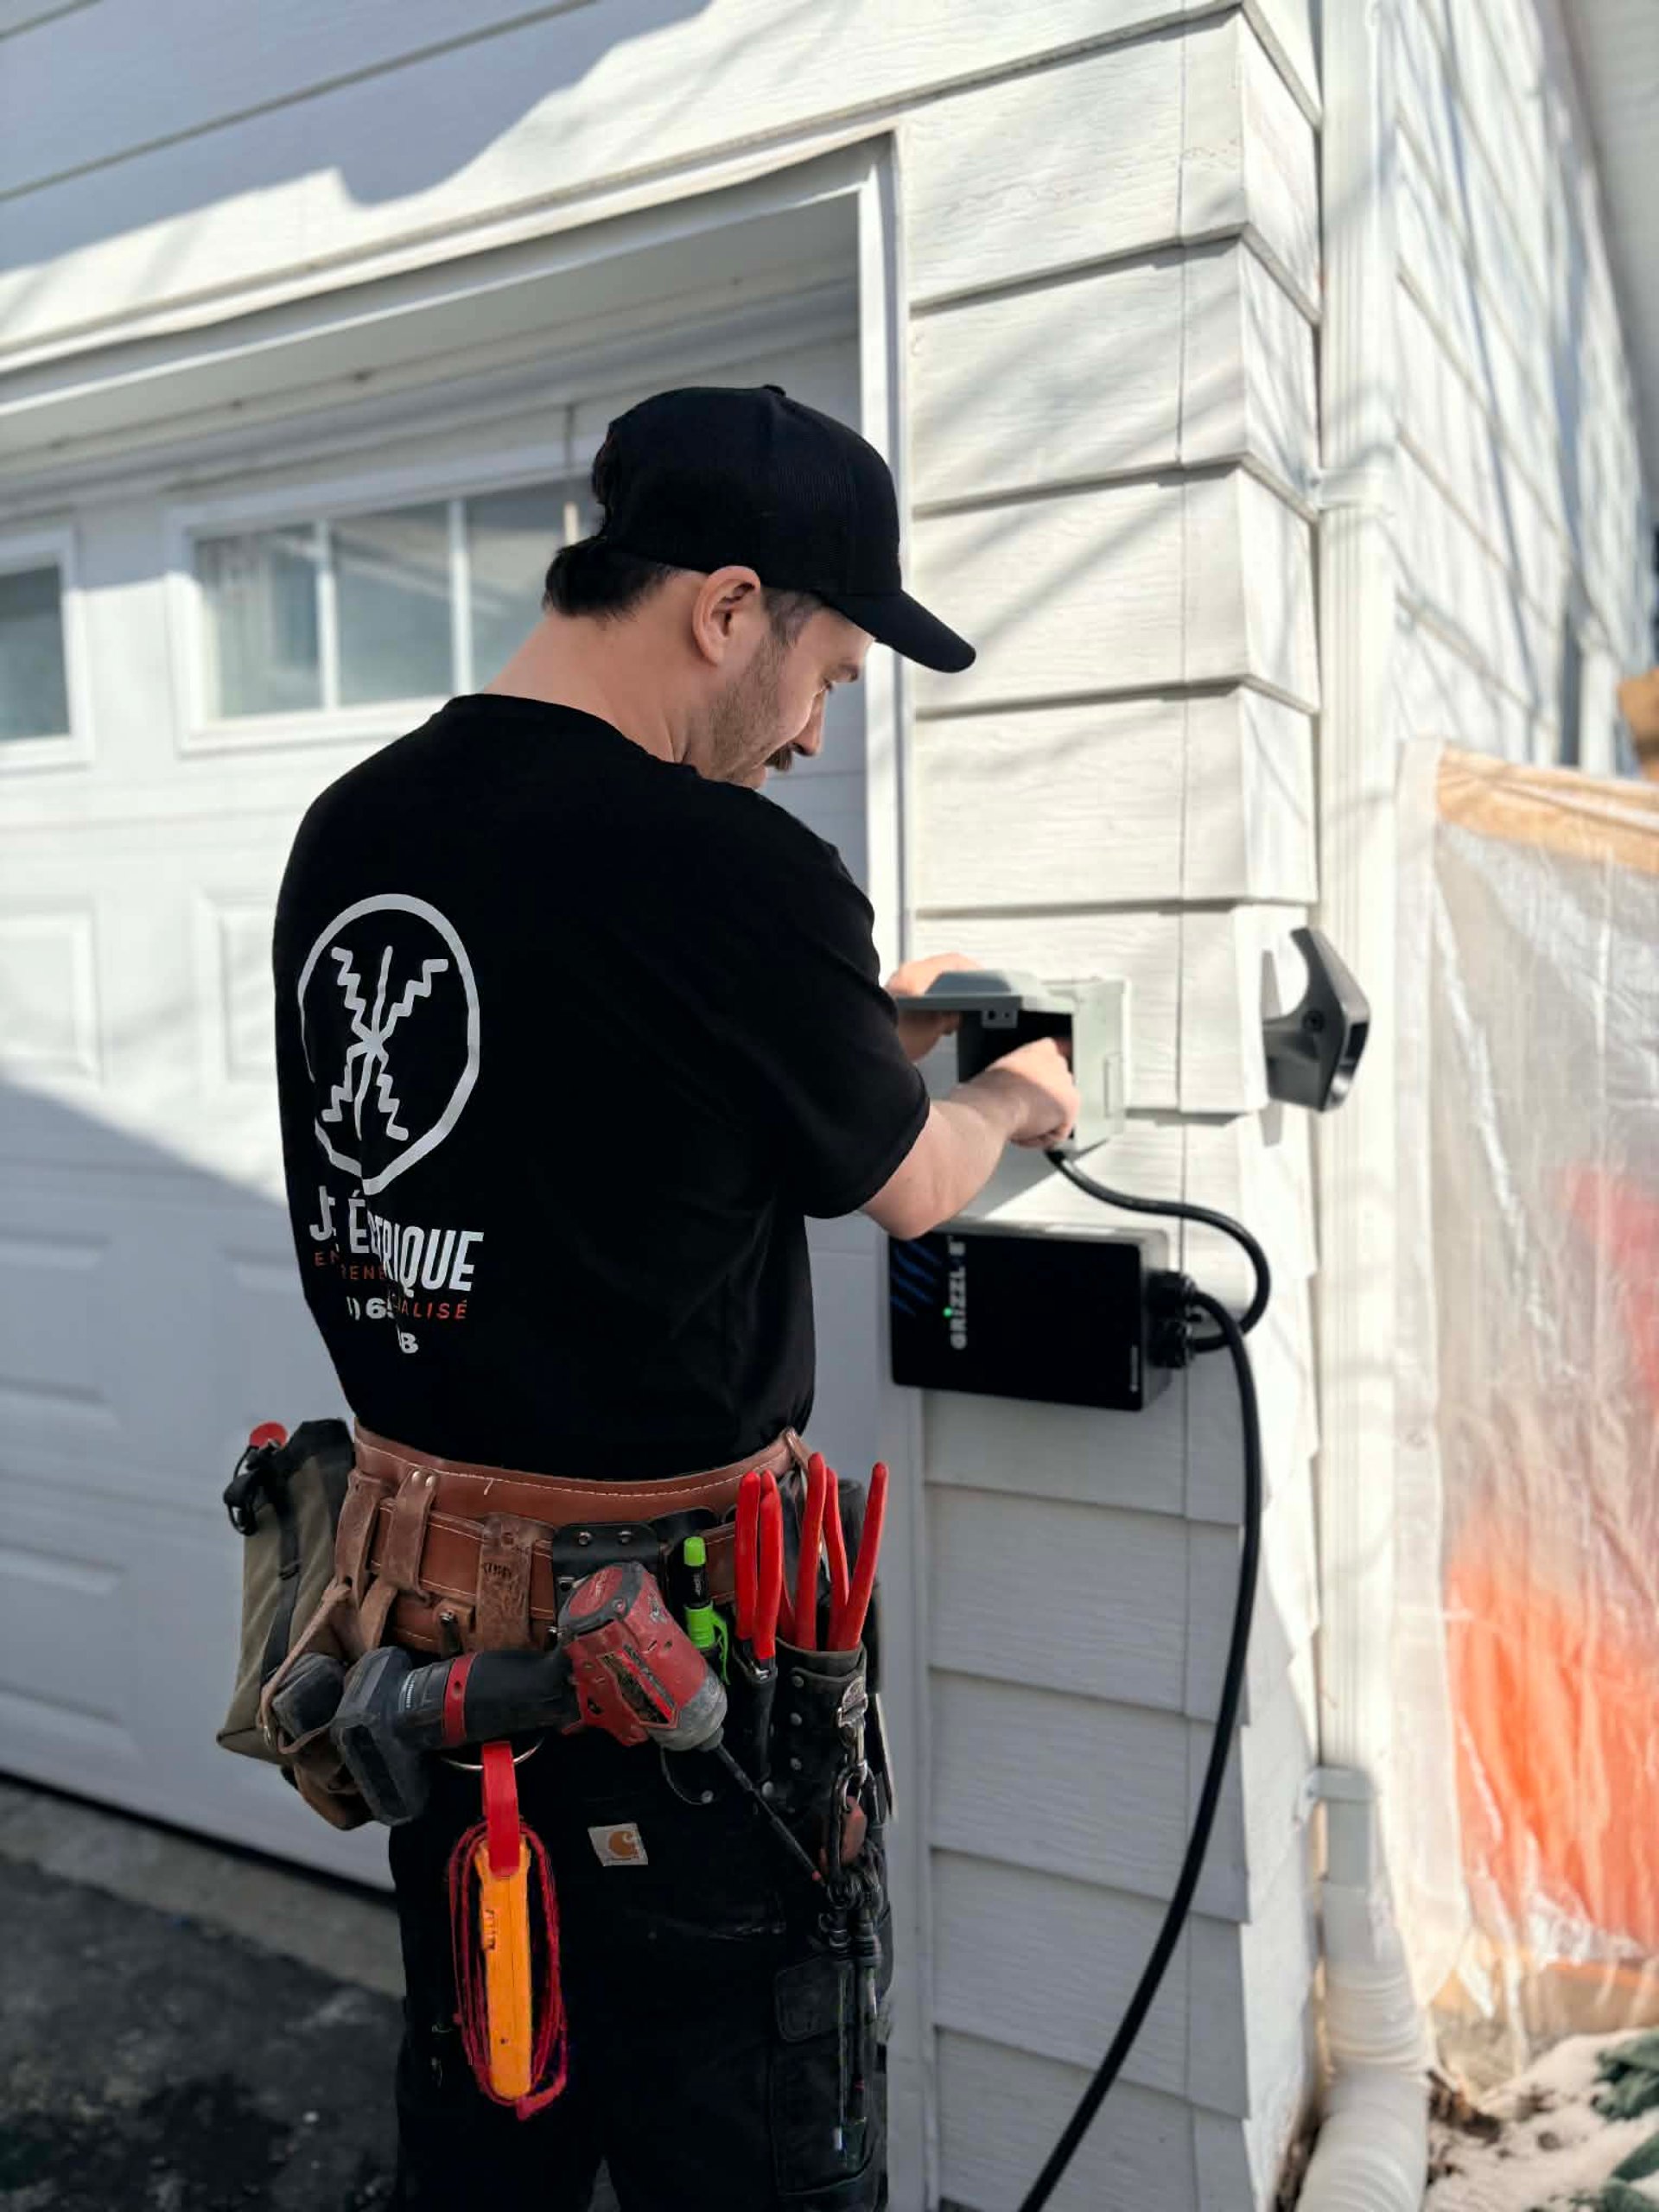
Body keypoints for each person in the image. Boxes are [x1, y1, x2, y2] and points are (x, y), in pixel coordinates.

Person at [270, 384, 1079, 2210]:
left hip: (420, 1645)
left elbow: (588, 1086)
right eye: (829, 672)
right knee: (749, 2151)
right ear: (728, 608)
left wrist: (849, 1027)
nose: (814, 730)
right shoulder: (729, 870)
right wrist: (1021, 1094)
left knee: (492, 2114)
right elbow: (909, 1182)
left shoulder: (353, 827)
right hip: (679, 1674)